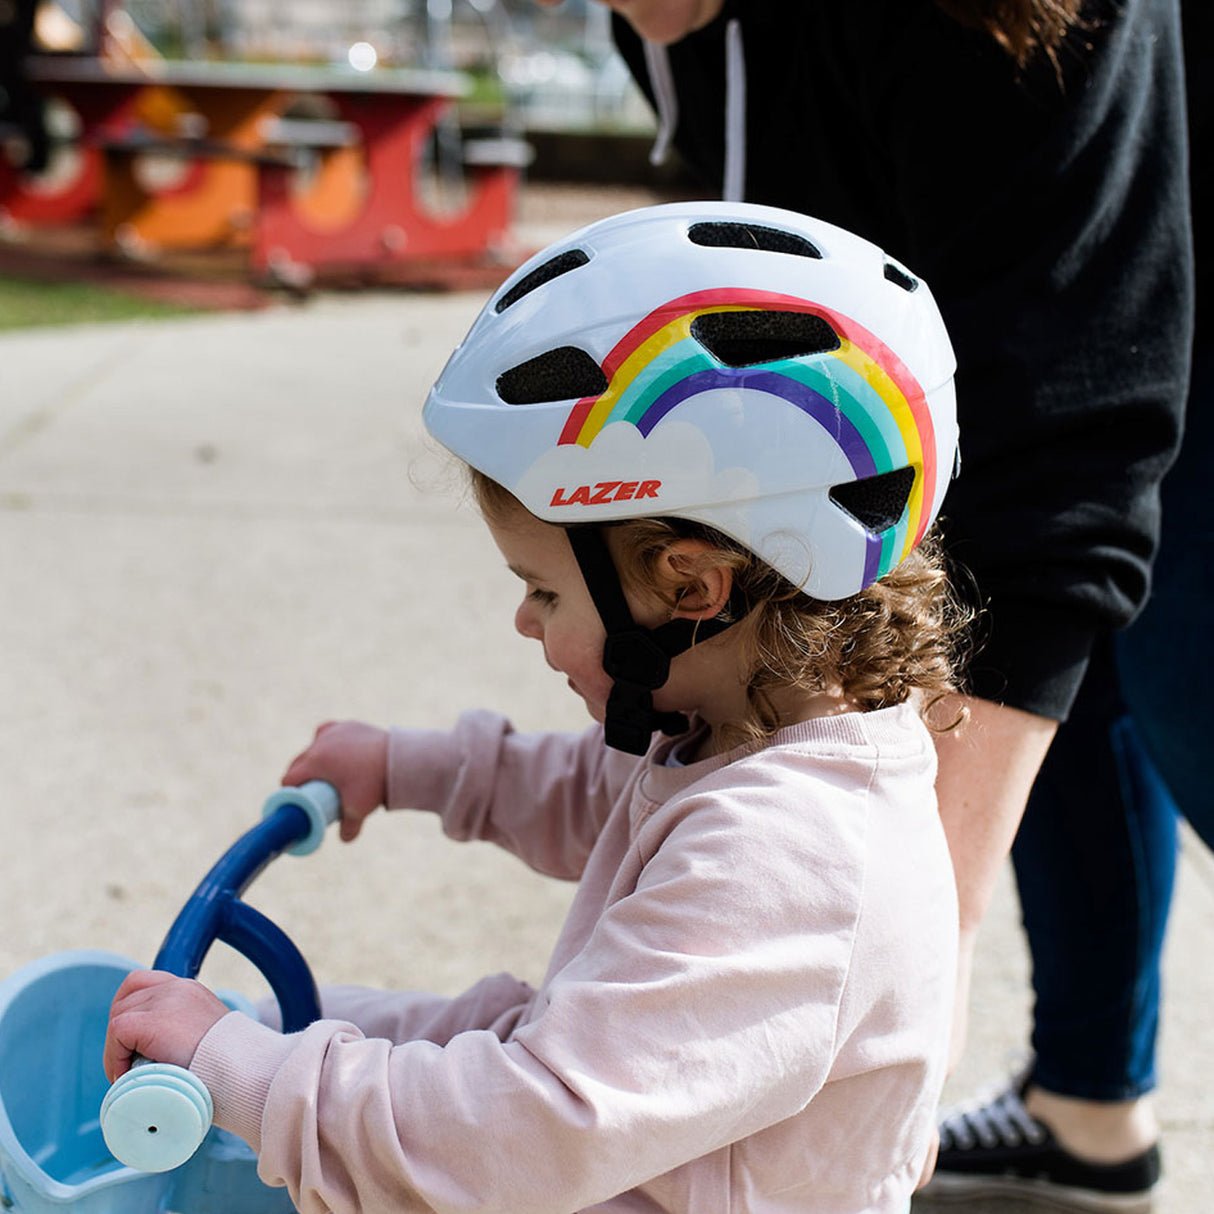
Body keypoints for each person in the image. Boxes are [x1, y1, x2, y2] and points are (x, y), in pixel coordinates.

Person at [105, 200, 968, 1213]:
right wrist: (417, 765)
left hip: (577, 1160)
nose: (525, 619)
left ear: (689, 587)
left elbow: (520, 1137)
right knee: (338, 1029)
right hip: (613, 1151)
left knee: (316, 1063)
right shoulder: (752, 728)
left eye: (545, 590)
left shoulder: (792, 857)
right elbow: (607, 795)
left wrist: (239, 1068)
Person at [574, 1, 1193, 1206]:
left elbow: (1072, 438)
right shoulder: (661, 26)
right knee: (1017, 665)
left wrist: (902, 944)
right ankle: (1085, 1104)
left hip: (1146, 240)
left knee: (1171, 676)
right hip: (1009, 243)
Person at [925, 3, 1210, 1207]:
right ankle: (1085, 1102)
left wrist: (923, 924)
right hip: (1046, 231)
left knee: (1180, 667)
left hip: (1149, 206)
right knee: (1061, 673)